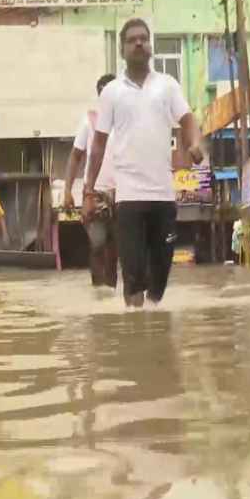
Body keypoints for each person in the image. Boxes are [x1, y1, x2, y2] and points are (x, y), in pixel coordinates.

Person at [85, 18, 203, 307]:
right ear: (122, 49)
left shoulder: (167, 85)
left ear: (151, 45)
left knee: (161, 275)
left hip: (163, 194)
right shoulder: (112, 92)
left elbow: (188, 120)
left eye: (144, 38)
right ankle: (137, 334)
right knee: (134, 273)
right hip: (129, 198)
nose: (139, 43)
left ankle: (153, 323)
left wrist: (195, 142)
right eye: (131, 40)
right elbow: (98, 144)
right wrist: (88, 192)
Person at [64, 73, 119, 290]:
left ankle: (111, 293)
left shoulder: (127, 120)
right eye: (103, 92)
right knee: (97, 243)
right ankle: (98, 291)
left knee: (115, 250)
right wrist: (67, 190)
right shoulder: (90, 120)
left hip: (123, 192)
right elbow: (75, 156)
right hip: (95, 194)